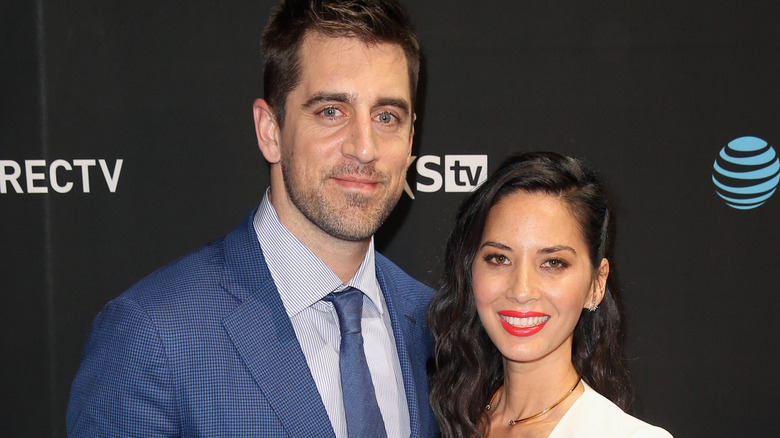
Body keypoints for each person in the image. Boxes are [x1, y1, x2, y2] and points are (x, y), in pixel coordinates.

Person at [66, 1, 437, 437]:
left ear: (411, 137)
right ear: (270, 130)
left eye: (386, 117)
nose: (364, 146)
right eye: (331, 112)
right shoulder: (152, 337)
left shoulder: (436, 325)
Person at [427, 152, 673, 437]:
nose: (521, 290)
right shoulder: (441, 421)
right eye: (499, 258)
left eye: (553, 263)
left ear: (597, 283)